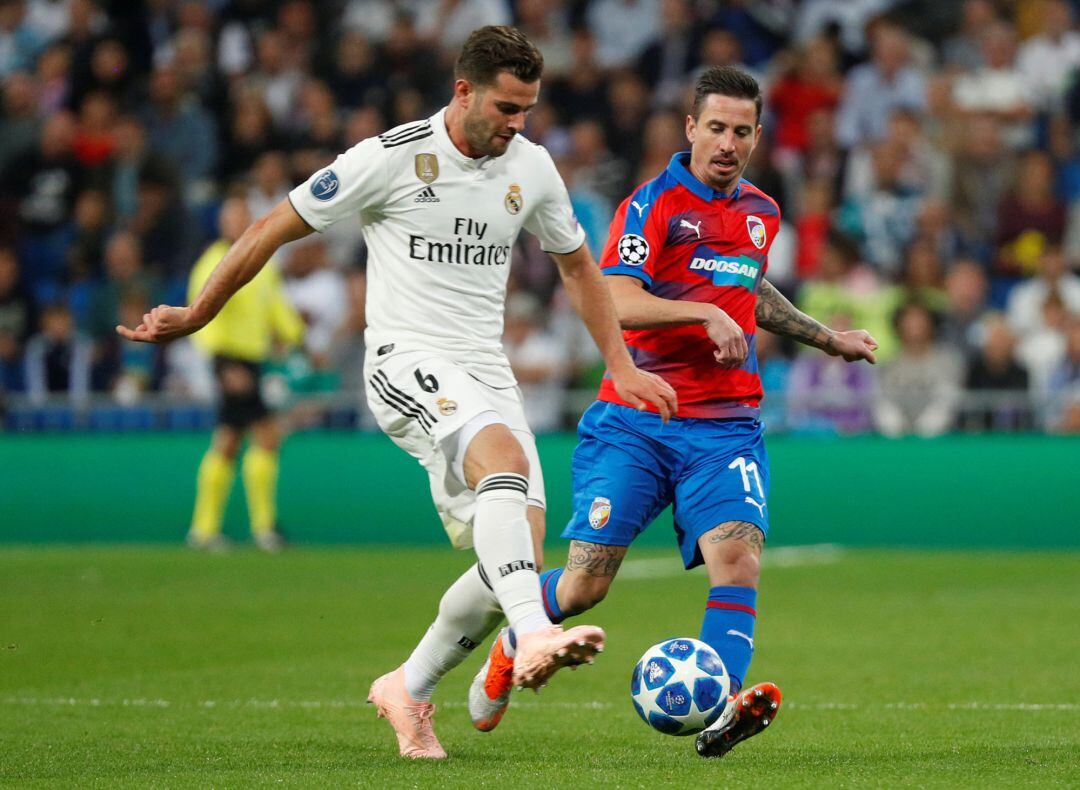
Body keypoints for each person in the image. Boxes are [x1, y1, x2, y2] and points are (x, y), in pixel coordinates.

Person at [116, 26, 675, 759]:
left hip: (484, 370)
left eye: (529, 109)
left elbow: (577, 269)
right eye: (507, 108)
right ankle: (533, 636)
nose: (519, 124)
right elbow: (269, 229)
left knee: (514, 550)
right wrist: (198, 314)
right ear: (464, 89)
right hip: (403, 358)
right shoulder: (389, 157)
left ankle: (408, 688)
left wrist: (621, 363)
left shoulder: (532, 168)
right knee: (503, 470)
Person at [468, 66, 878, 759]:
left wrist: (826, 337)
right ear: (690, 128)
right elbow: (614, 296)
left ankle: (719, 711)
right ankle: (515, 637)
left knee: (739, 559)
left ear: (755, 136)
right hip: (637, 418)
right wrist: (702, 312)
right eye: (715, 127)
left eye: (741, 131)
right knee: (586, 583)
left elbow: (752, 288)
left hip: (727, 426)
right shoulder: (651, 205)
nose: (727, 142)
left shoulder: (761, 211)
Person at [185, 196, 305, 553]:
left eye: (244, 215)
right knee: (264, 436)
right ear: (222, 223)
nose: (239, 222)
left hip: (253, 361)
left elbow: (275, 306)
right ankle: (263, 528)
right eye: (233, 216)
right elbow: (198, 312)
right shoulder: (212, 261)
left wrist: (297, 337)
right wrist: (221, 365)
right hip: (232, 362)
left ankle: (205, 530)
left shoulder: (260, 261)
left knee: (230, 441)